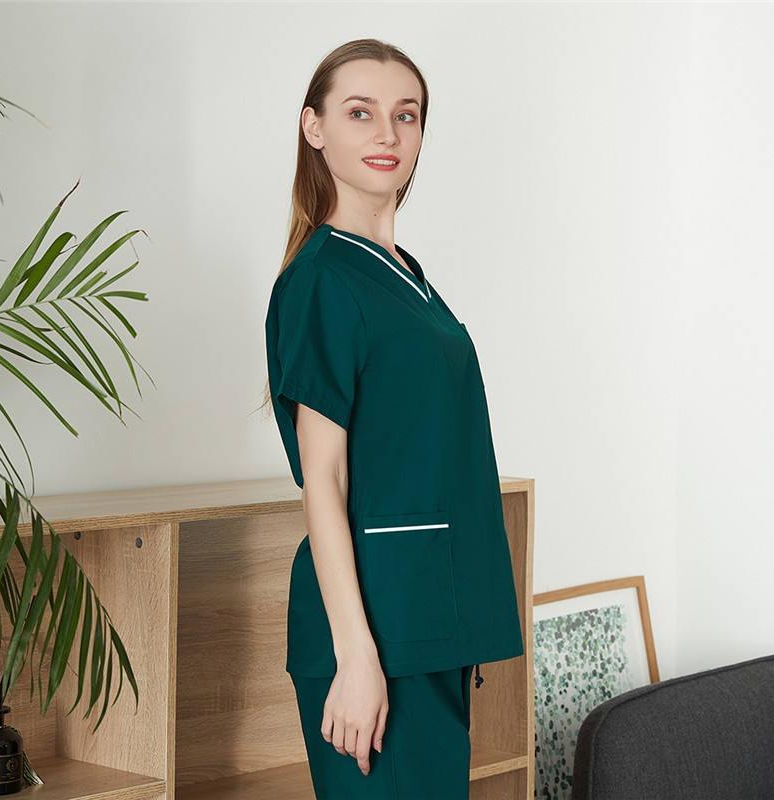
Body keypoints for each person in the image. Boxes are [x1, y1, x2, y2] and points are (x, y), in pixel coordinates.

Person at [262, 38, 524, 800]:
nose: (387, 133)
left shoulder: (408, 278)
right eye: (360, 112)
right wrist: (355, 657)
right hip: (376, 635)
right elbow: (324, 479)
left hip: (430, 622)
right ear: (314, 127)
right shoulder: (321, 281)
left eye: (405, 115)